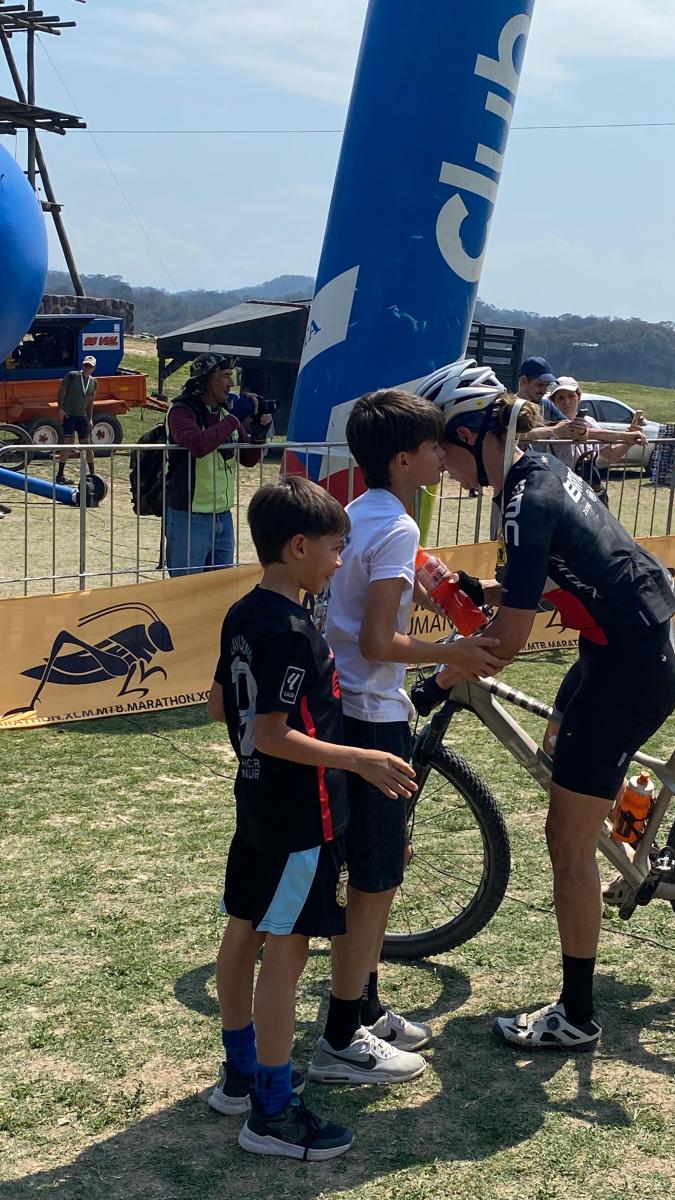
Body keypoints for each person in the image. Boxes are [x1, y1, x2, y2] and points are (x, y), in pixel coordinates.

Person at [416, 360, 675, 1052]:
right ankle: (632, 829)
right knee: (561, 751)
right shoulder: (532, 475)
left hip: (628, 664)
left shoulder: (523, 500)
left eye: (443, 446)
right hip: (622, 648)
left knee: (565, 841)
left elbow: (504, 643)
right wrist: (474, 586)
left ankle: (578, 1013)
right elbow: (539, 584)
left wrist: (439, 677)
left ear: (475, 434)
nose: (440, 464)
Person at [207, 476, 419, 1160]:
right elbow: (271, 731)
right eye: (335, 548)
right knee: (287, 950)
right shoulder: (296, 630)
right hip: (301, 812)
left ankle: (239, 1073)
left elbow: (221, 706)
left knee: (245, 931)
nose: (339, 560)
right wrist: (357, 758)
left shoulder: (242, 612)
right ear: (298, 547)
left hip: (257, 801)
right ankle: (271, 1109)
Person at [308, 389, 509, 1083]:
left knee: (374, 868)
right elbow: (377, 638)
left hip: (346, 705)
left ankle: (364, 1007)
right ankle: (342, 1034)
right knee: (375, 878)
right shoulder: (393, 527)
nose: (442, 456)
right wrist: (451, 654)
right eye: (432, 448)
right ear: (403, 459)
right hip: (373, 713)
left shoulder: (361, 513)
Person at [164, 353, 270, 575]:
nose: (231, 383)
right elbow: (198, 445)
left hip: (223, 514)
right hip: (190, 516)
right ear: (205, 379)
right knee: (186, 591)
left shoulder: (223, 412)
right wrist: (234, 419)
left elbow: (248, 460)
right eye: (225, 376)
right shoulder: (181, 411)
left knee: (220, 590)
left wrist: (258, 434)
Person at [545, 376, 646, 478]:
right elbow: (587, 433)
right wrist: (626, 436)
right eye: (561, 398)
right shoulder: (552, 424)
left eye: (571, 396)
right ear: (554, 402)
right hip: (557, 484)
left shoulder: (590, 421)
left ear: (578, 397)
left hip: (585, 484)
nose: (566, 402)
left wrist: (629, 442)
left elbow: (611, 456)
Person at [515, 355, 586, 446]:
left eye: (547, 385)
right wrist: (553, 430)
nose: (544, 391)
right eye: (539, 385)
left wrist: (581, 431)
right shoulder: (507, 406)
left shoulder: (546, 405)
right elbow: (510, 434)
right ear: (523, 381)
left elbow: (573, 433)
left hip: (541, 460)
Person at [55, 355, 97, 484]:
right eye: (85, 365)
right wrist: (60, 409)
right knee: (68, 441)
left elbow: (90, 402)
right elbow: (61, 392)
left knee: (87, 444)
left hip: (81, 416)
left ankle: (93, 475)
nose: (87, 367)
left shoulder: (94, 382)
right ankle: (60, 475)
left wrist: (90, 419)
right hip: (69, 414)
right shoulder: (72, 376)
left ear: (94, 368)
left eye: (89, 366)